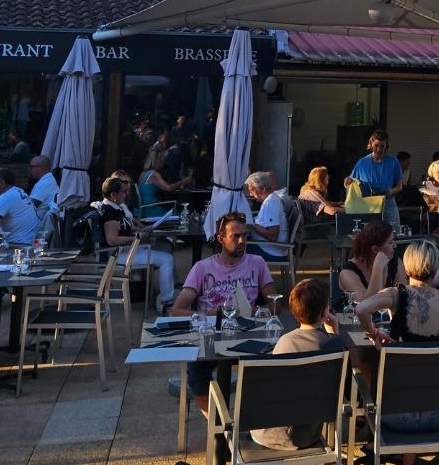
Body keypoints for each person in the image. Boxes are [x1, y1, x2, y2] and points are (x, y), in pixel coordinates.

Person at [244, 277, 353, 465]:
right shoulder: (335, 345)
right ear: (325, 312)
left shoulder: (284, 342)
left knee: (263, 437)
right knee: (285, 433)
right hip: (306, 434)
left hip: (269, 430)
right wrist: (336, 333)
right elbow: (345, 386)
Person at [357, 239, 439, 465]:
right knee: (423, 385)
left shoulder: (397, 294)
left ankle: (384, 451)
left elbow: (361, 308)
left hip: (395, 416)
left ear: (407, 266)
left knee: (373, 374)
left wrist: (374, 333)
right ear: (436, 268)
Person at [172, 213, 278, 415]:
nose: (242, 241)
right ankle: (220, 423)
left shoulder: (257, 263)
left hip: (247, 336)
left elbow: (275, 305)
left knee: (272, 367)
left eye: (245, 235)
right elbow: (177, 311)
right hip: (213, 336)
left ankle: (251, 420)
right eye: (235, 236)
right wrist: (210, 314)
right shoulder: (202, 268)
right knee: (196, 372)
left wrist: (256, 311)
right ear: (221, 238)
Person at [97, 174, 177, 310]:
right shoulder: (109, 211)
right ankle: (166, 301)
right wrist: (136, 237)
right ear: (114, 195)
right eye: (123, 192)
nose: (126, 195)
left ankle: (165, 292)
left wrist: (142, 230)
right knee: (167, 259)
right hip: (118, 254)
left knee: (164, 247)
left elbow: (126, 228)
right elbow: (112, 240)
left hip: (126, 250)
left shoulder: (116, 207)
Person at [338, 220, 404, 305]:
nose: (395, 245)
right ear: (375, 249)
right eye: (390, 243)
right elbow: (367, 306)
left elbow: (403, 298)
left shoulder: (395, 262)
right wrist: (378, 269)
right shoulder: (348, 273)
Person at [348, 130, 403, 228]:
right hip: (369, 204)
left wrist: (390, 191)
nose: (378, 149)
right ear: (371, 143)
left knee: (394, 231)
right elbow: (351, 181)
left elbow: (399, 186)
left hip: (388, 202)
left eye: (382, 147)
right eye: (376, 146)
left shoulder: (393, 161)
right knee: (371, 232)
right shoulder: (362, 163)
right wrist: (347, 180)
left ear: (386, 146)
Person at [245, 171, 294, 261]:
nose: (251, 194)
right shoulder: (271, 199)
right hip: (269, 248)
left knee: (235, 253)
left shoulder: (270, 203)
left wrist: (252, 226)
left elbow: (273, 236)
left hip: (270, 251)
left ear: (263, 189)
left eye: (252, 190)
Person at [27, 154, 59, 224]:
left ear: (40, 168)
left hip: (35, 225)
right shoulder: (47, 180)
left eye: (31, 166)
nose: (28, 169)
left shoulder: (45, 183)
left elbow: (28, 206)